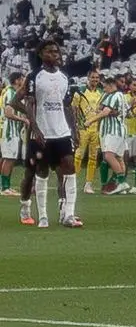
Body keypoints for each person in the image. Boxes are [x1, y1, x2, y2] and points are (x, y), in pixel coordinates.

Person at [13, 41, 81, 229]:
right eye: (50, 51)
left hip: (62, 133)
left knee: (68, 168)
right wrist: (34, 126)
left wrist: (74, 131)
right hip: (41, 134)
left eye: (57, 51)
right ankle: (31, 210)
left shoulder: (65, 77)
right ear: (41, 54)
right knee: (34, 173)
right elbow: (24, 102)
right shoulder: (35, 76)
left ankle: (68, 213)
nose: (56, 54)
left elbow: (67, 106)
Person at [84, 71, 133, 194]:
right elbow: (129, 113)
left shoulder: (114, 95)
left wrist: (90, 121)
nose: (104, 89)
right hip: (120, 130)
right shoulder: (121, 96)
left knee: (108, 156)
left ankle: (122, 182)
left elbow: (104, 111)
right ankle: (121, 185)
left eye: (105, 87)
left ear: (111, 85)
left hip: (112, 130)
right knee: (118, 157)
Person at [71, 70, 103, 194]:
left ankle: (88, 184)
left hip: (96, 128)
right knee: (79, 155)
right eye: (93, 77)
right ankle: (72, 182)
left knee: (93, 157)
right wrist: (75, 127)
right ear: (88, 78)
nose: (95, 80)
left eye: (97, 78)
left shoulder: (101, 93)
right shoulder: (80, 91)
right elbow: (73, 109)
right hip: (83, 128)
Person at [1, 72, 27, 197]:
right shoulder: (11, 93)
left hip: (9, 130)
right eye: (22, 79)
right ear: (17, 80)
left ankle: (5, 185)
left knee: (6, 158)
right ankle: (5, 187)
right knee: (9, 158)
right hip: (9, 130)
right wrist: (24, 119)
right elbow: (8, 113)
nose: (24, 81)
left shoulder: (8, 91)